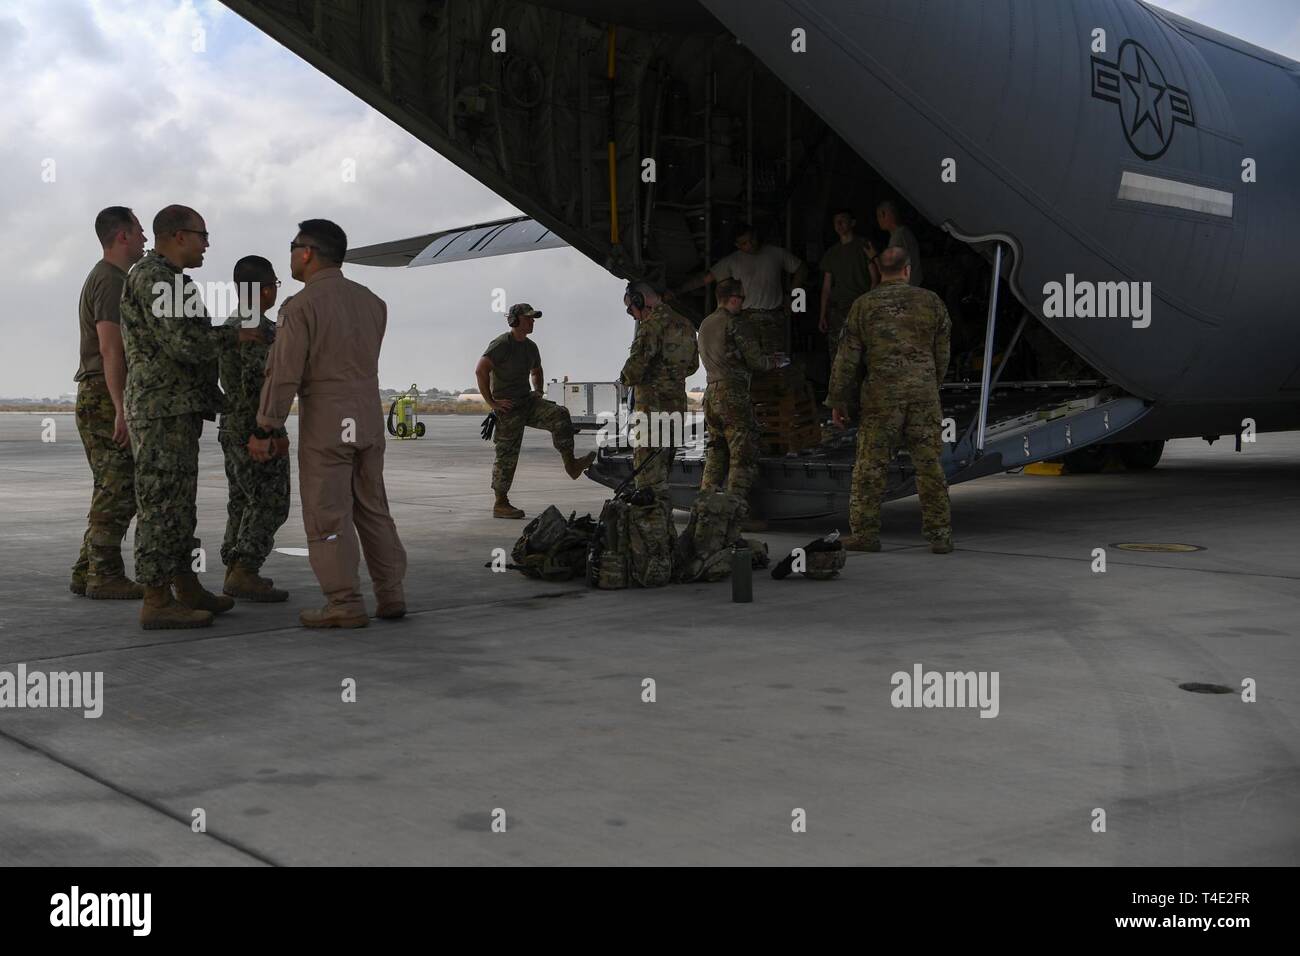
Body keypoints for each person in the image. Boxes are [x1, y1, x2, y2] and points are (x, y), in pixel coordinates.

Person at [251, 219, 407, 628]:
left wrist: (266, 426)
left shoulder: (300, 307)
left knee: (328, 516)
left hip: (328, 422)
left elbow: (284, 374)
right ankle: (391, 594)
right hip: (369, 419)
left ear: (307, 253)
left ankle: (344, 603)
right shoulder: (373, 302)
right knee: (374, 509)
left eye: (291, 247)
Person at [119, 205, 266, 629]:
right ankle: (155, 598)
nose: (206, 244)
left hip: (176, 408)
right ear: (179, 235)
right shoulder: (155, 278)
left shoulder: (173, 280)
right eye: (203, 235)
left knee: (179, 505)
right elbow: (184, 343)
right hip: (162, 409)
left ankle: (184, 584)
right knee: (161, 505)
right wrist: (234, 334)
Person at [827, 247, 952, 553]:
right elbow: (943, 351)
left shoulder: (863, 305)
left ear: (879, 271)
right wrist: (931, 382)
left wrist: (838, 399)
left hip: (881, 397)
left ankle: (865, 534)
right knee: (929, 465)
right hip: (923, 395)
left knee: (870, 465)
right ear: (907, 270)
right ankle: (940, 535)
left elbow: (847, 358)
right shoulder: (930, 301)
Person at [71, 206, 146, 600]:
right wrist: (121, 409)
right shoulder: (112, 280)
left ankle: (87, 570)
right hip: (105, 393)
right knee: (120, 486)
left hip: (101, 392)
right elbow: (110, 348)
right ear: (123, 236)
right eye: (140, 231)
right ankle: (104, 575)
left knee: (110, 484)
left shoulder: (108, 277)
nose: (145, 239)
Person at [475, 303, 595, 519]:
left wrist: (538, 390)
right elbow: (480, 369)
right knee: (507, 453)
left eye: (533, 319)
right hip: (508, 406)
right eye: (528, 318)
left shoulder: (531, 347)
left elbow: (536, 370)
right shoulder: (502, 344)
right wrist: (492, 403)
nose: (532, 322)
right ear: (515, 320)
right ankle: (500, 503)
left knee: (560, 414)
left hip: (527, 401)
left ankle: (572, 465)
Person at [218, 255, 291, 602]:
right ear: (264, 291)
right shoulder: (256, 328)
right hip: (253, 425)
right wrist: (268, 432)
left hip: (232, 424)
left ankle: (234, 567)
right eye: (275, 285)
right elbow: (257, 382)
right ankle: (245, 569)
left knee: (241, 501)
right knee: (269, 502)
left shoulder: (232, 322)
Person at [697, 278, 784, 501]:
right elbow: (755, 360)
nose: (743, 304)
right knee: (742, 455)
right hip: (732, 394)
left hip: (710, 394)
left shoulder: (705, 323)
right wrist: (773, 362)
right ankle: (734, 510)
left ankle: (706, 505)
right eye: (742, 298)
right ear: (733, 299)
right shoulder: (735, 323)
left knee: (716, 450)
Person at [619, 281, 699, 512]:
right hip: (676, 408)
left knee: (647, 476)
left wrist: (624, 378)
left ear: (639, 300)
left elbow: (634, 371)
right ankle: (663, 526)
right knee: (663, 469)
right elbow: (692, 366)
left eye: (630, 309)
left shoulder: (651, 326)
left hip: (651, 411)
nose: (632, 315)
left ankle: (650, 530)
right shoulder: (685, 324)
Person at [677, 223, 805, 354]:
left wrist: (793, 297)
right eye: (744, 243)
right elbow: (704, 279)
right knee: (750, 359)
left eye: (752, 240)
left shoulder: (776, 253)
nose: (751, 245)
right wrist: (677, 291)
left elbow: (801, 269)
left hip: (774, 317)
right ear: (737, 245)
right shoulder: (733, 260)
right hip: (746, 318)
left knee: (776, 360)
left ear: (756, 236)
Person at [818, 208, 875, 367]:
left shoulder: (863, 245)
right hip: (837, 310)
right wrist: (823, 315)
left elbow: (875, 278)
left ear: (852, 223)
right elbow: (826, 287)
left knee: (861, 355)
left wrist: (868, 307)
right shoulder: (832, 252)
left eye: (843, 220)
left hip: (858, 307)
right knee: (837, 356)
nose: (839, 224)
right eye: (836, 222)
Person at [871, 200, 924, 289]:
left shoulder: (899, 237)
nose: (878, 220)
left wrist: (873, 256)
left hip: (908, 290)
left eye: (879, 216)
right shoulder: (903, 233)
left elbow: (890, 272)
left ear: (885, 215)